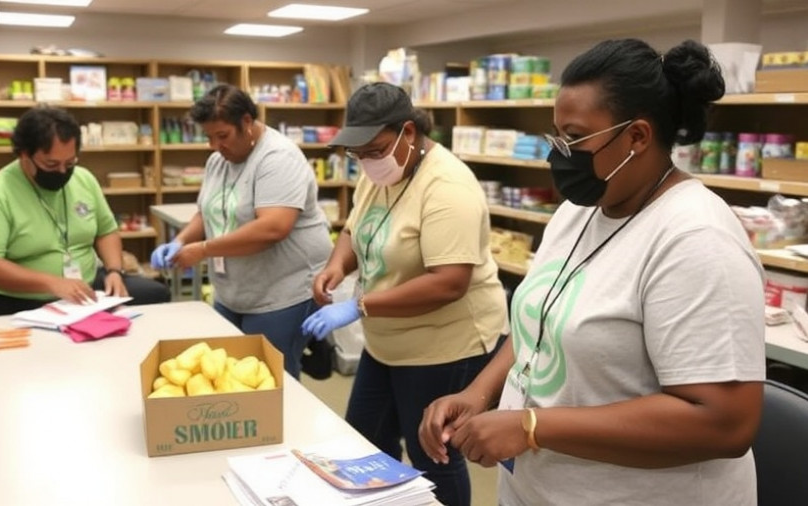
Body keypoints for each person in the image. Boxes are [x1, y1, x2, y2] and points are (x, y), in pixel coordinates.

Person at [418, 39, 766, 505]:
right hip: (538, 490)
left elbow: (724, 423)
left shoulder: (696, 239)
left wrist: (532, 427)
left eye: (575, 137)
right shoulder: (580, 210)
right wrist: (479, 393)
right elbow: (540, 322)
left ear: (637, 137)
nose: (560, 154)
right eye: (556, 136)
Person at [301, 82, 508, 506]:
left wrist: (359, 306)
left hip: (444, 344)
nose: (367, 162)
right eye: (358, 155)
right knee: (364, 439)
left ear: (408, 132)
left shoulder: (448, 186)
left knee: (431, 453)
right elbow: (356, 229)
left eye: (374, 150)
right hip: (388, 339)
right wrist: (337, 265)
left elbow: (450, 281)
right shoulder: (380, 172)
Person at [150, 84, 332, 379]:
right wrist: (180, 240)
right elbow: (206, 211)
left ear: (247, 122)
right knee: (227, 374)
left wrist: (203, 249)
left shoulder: (278, 157)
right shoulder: (218, 160)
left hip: (283, 290)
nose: (214, 146)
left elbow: (272, 228)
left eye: (222, 136)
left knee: (269, 380)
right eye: (209, 137)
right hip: (235, 290)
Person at [0, 106, 170, 317]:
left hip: (82, 289)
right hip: (15, 298)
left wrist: (114, 271)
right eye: (51, 164)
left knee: (155, 295)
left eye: (70, 163)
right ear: (24, 154)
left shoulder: (83, 179)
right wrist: (52, 283)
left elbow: (106, 231)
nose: (63, 172)